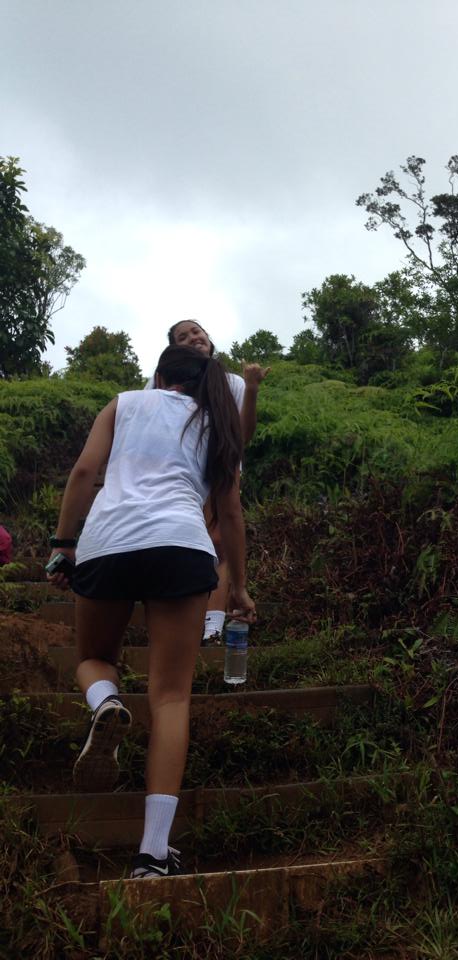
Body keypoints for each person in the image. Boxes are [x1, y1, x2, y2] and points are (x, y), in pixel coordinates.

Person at [47, 344, 256, 879]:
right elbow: (229, 512)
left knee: (93, 657)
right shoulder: (219, 424)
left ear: (158, 375)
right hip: (182, 547)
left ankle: (106, 701)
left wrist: (64, 545)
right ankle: (153, 854)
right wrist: (240, 588)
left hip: (109, 540)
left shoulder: (124, 403)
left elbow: (83, 472)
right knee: (169, 698)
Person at [148, 319, 269, 645]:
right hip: (178, 469)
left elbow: (242, 436)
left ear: (208, 337)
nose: (193, 337)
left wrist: (253, 389)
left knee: (219, 542)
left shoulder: (232, 382)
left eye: (196, 331)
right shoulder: (161, 381)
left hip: (221, 467)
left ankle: (212, 627)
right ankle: (178, 620)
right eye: (182, 336)